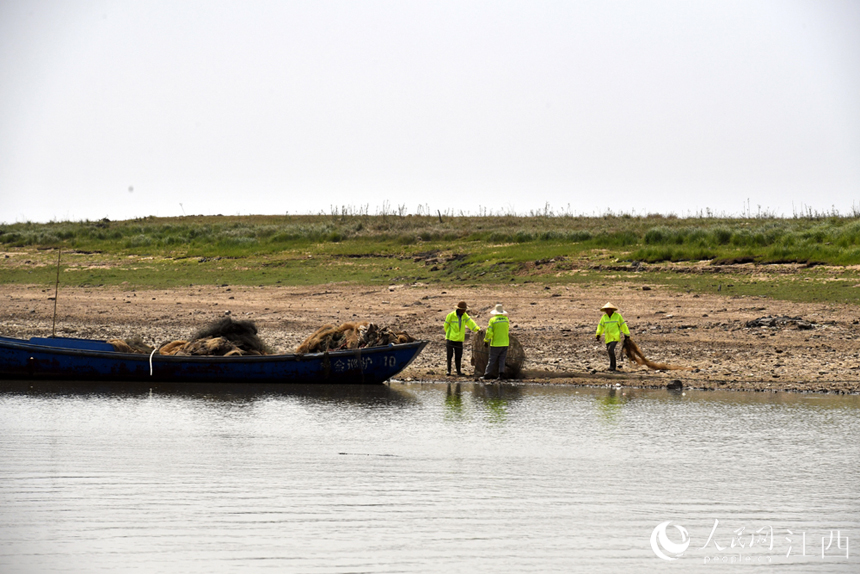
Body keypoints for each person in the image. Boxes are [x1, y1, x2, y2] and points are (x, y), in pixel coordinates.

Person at [444, 301, 480, 376]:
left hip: (459, 339)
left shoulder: (465, 316)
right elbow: (446, 326)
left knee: (458, 356)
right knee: (449, 356)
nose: (464, 311)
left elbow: (470, 322)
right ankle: (449, 371)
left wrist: (477, 329)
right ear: (459, 309)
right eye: (463, 309)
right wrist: (449, 334)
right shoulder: (450, 315)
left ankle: (458, 371)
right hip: (450, 339)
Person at [595, 302, 631, 371]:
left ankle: (613, 367)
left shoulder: (618, 316)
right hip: (608, 337)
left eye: (608, 309)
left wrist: (627, 334)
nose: (607, 311)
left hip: (615, 337)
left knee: (610, 349)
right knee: (609, 351)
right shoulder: (604, 317)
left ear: (611, 310)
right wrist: (598, 334)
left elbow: (623, 325)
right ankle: (612, 365)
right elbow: (600, 326)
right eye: (606, 309)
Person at [480, 303, 510, 381]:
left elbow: (489, 332)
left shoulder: (492, 320)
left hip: (496, 343)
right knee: (502, 360)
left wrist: (486, 341)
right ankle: (501, 375)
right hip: (505, 343)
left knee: (492, 360)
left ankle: (487, 375)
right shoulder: (506, 319)